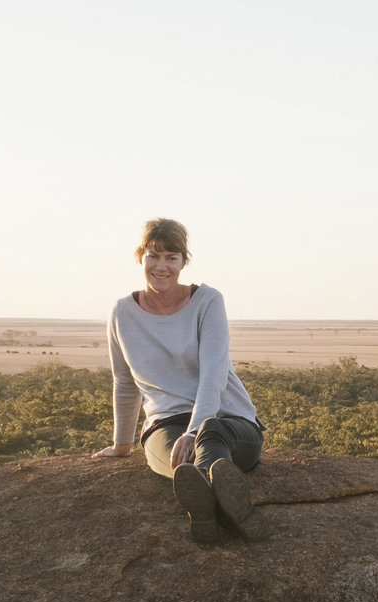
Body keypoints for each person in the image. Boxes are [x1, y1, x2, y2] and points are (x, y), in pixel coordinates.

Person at [92, 218, 268, 544]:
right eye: (153, 256)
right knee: (177, 463)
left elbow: (214, 372)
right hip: (166, 425)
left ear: (183, 262)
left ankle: (205, 510)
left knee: (210, 433)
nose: (162, 266)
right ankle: (226, 506)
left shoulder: (207, 301)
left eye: (171, 257)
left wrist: (194, 429)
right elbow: (125, 381)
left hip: (228, 421)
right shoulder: (122, 313)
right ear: (140, 257)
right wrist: (121, 446)